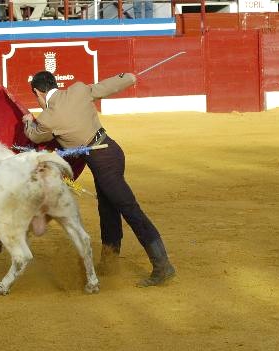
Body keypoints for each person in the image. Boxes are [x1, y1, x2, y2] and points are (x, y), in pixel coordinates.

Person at [22, 71, 176, 287]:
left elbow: (35, 136)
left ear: (38, 92)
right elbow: (105, 86)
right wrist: (128, 78)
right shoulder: (77, 90)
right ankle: (109, 262)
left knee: (130, 210)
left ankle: (163, 265)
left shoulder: (48, 117)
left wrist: (28, 121)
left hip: (102, 162)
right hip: (111, 151)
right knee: (108, 208)